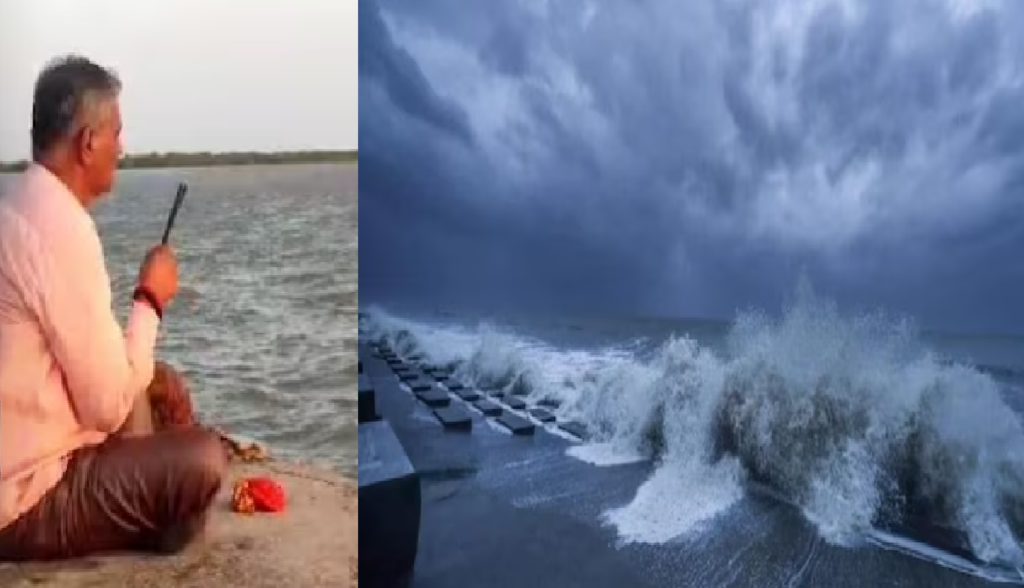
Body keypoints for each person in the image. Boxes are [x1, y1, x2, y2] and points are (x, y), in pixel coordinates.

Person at [0, 55, 226, 561]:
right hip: (20, 503)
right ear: (87, 143)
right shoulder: (62, 229)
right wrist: (150, 299)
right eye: (116, 133)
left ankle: (152, 494)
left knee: (161, 381)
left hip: (25, 457)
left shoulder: (16, 203)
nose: (122, 149)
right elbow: (107, 405)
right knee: (204, 458)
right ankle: (157, 520)